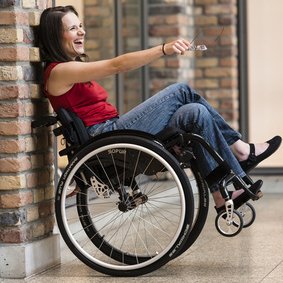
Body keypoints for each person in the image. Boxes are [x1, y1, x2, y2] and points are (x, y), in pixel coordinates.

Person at [38, 5, 281, 210]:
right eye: (72, 28)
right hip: (105, 138)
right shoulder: (59, 71)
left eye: (80, 25)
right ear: (55, 37)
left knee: (196, 112)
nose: (82, 31)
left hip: (112, 131)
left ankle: (221, 194)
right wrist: (163, 49)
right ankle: (241, 151)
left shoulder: (70, 68)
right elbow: (116, 65)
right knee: (181, 91)